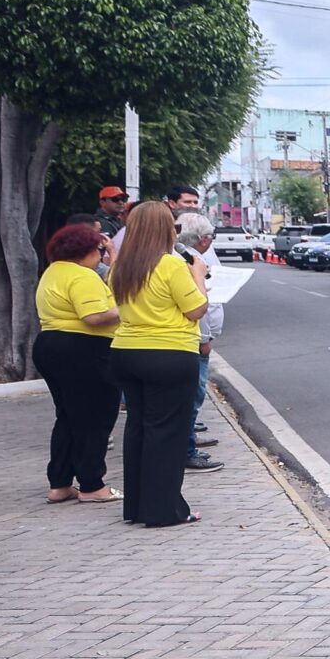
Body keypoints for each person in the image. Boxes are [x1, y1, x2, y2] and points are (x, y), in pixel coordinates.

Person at [108, 201, 207, 528]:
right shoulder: (170, 266)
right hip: (168, 353)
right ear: (165, 229)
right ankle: (165, 509)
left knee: (138, 426)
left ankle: (136, 506)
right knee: (167, 433)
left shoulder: (120, 267)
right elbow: (195, 309)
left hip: (126, 351)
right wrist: (199, 276)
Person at [33, 222, 121, 503]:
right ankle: (92, 484)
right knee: (95, 417)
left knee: (69, 416)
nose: (100, 255)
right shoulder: (83, 277)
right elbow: (94, 316)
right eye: (98, 249)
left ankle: (60, 483)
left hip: (51, 345)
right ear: (86, 251)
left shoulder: (53, 271)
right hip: (83, 349)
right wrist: (129, 306)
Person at [173, 213, 224, 472]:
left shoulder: (184, 258)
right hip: (190, 340)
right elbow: (198, 306)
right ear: (204, 239)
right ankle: (186, 452)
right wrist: (205, 338)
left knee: (190, 399)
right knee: (191, 398)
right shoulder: (189, 261)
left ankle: (186, 448)